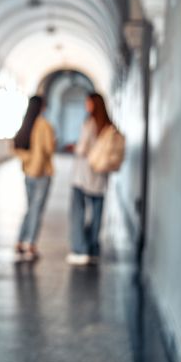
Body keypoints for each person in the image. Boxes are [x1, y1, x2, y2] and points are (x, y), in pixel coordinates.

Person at [67, 93, 112, 266]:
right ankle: (93, 247)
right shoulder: (107, 125)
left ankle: (79, 249)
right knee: (97, 212)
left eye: (88, 102)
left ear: (94, 104)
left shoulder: (89, 123)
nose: (86, 104)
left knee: (77, 211)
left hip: (83, 174)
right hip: (100, 175)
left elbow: (82, 148)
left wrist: (74, 146)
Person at [13, 96, 56, 261]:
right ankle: (30, 244)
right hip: (42, 174)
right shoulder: (44, 125)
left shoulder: (25, 124)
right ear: (41, 107)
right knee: (36, 210)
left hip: (28, 172)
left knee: (30, 208)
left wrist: (28, 159)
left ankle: (19, 241)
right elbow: (49, 149)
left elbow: (16, 146)